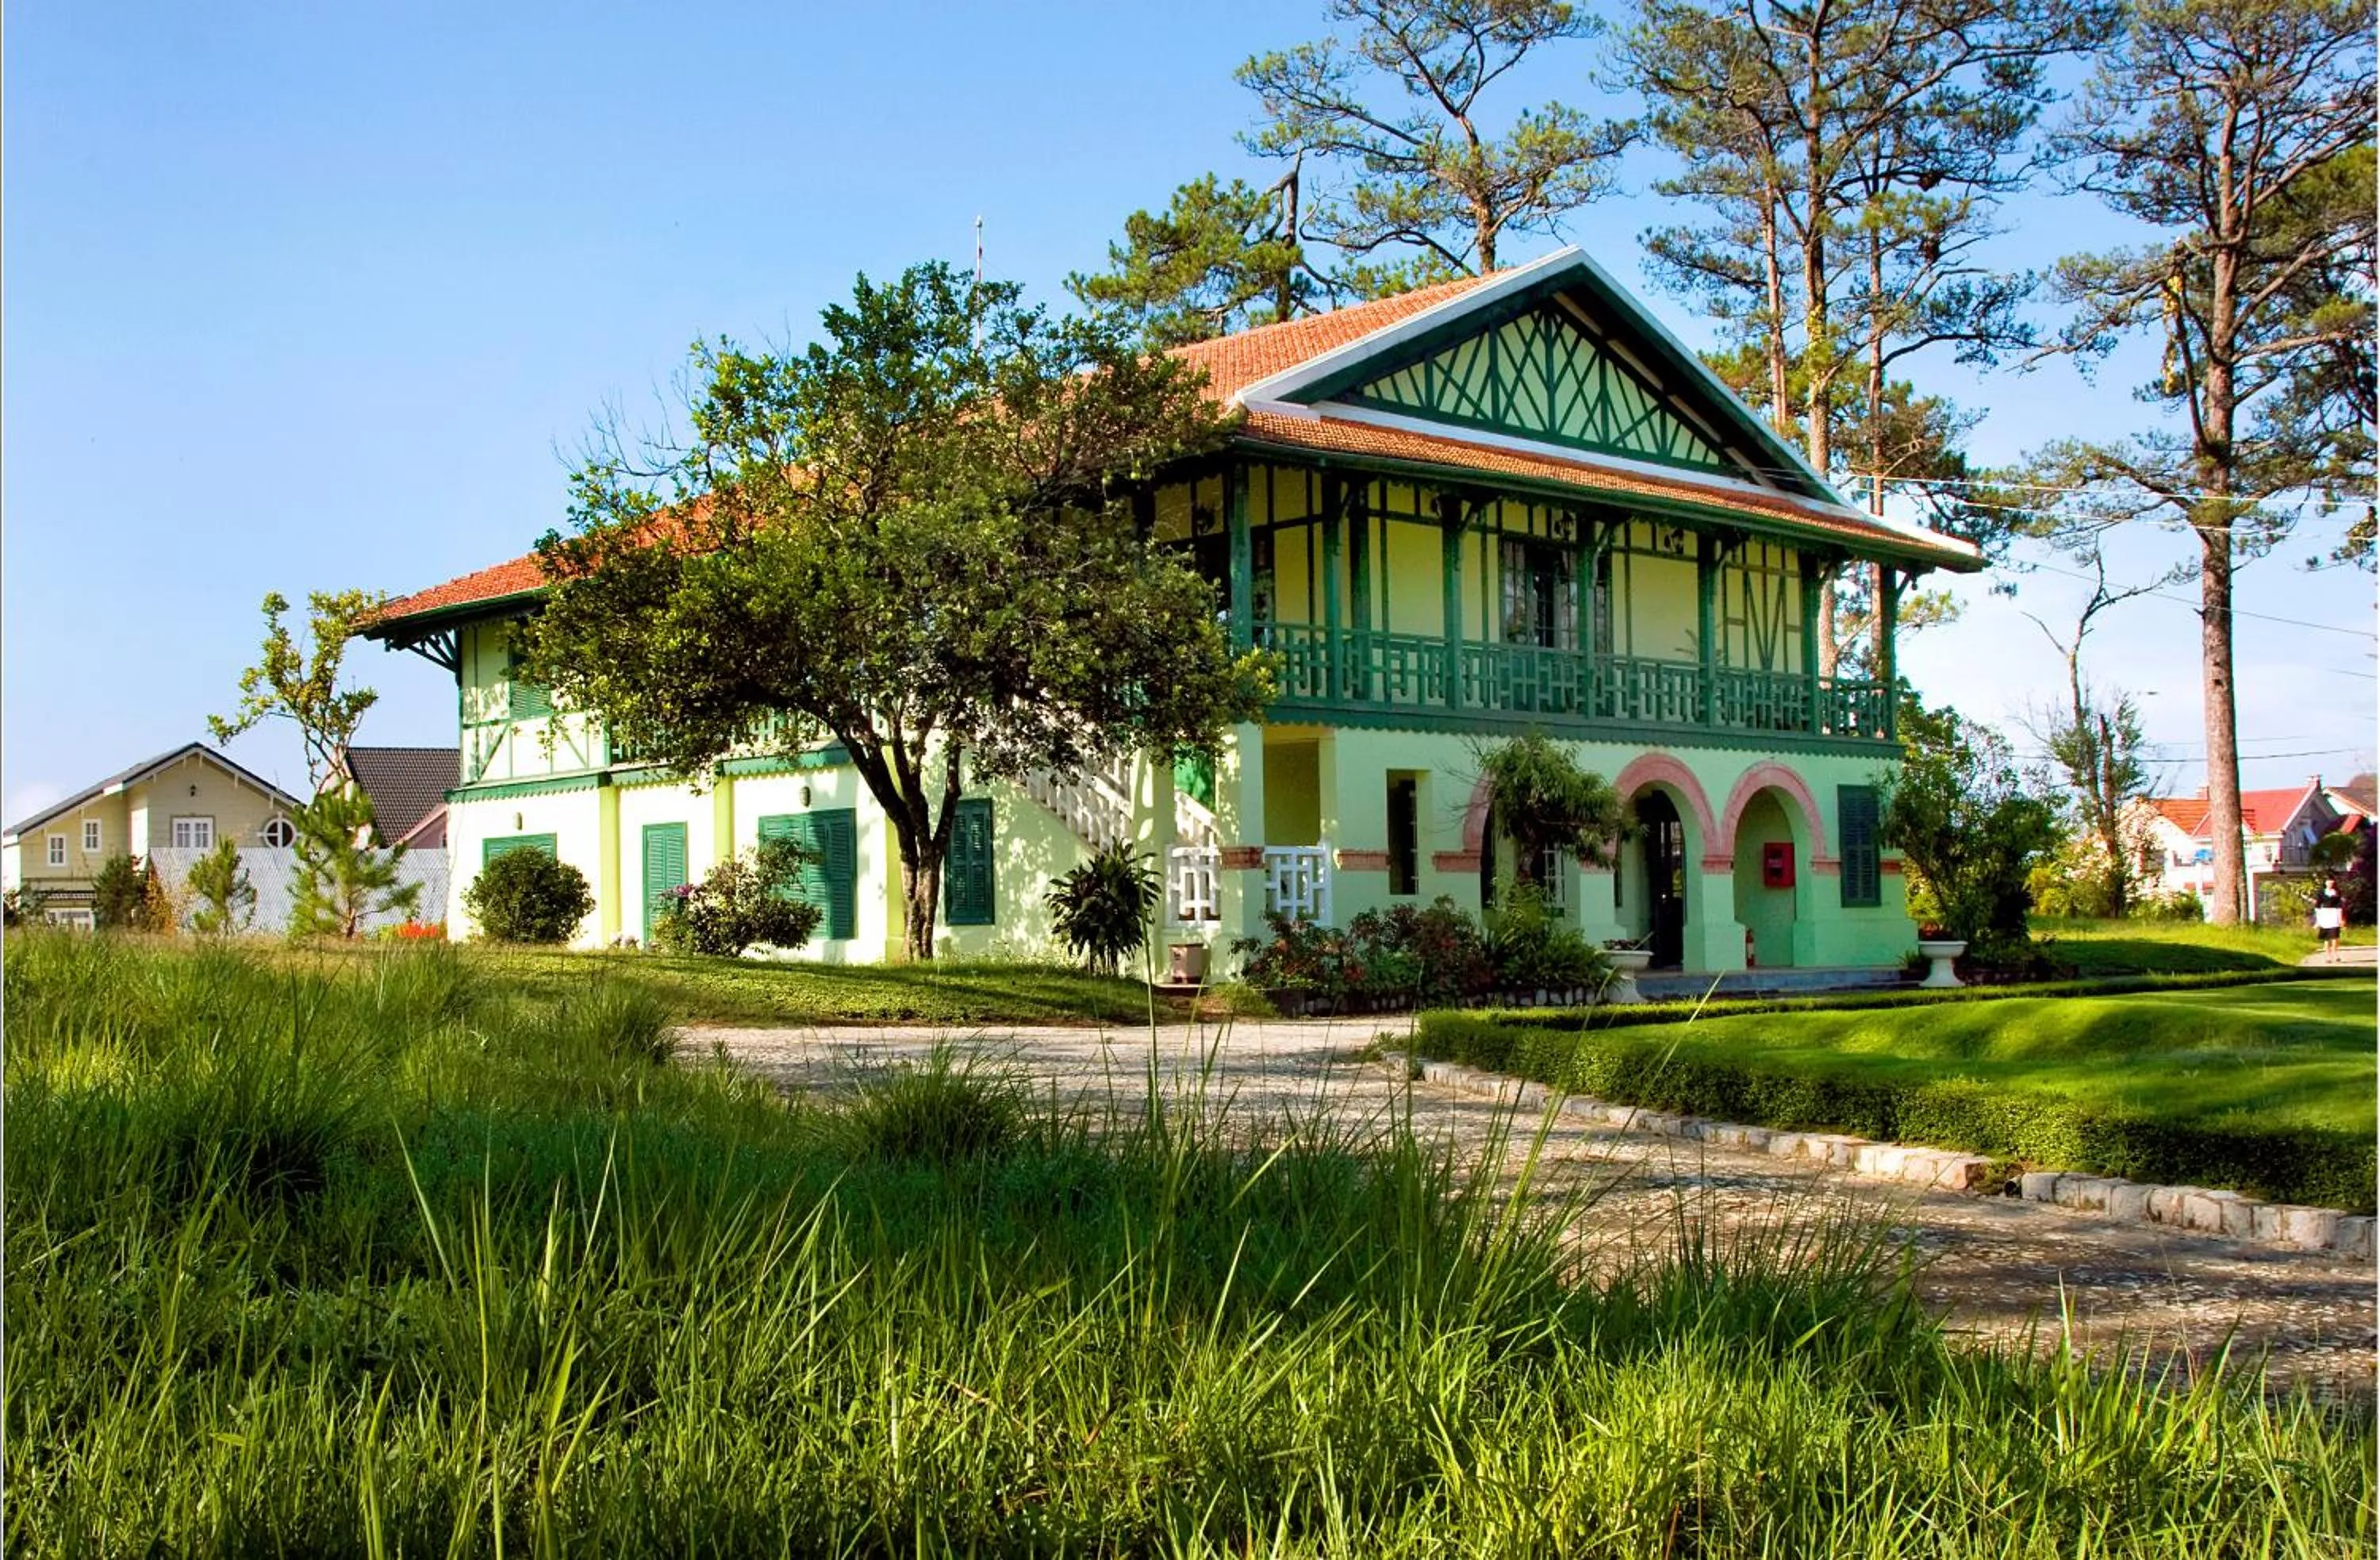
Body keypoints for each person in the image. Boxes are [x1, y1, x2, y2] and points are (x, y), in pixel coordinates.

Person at [2313, 875, 2345, 959]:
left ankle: (2335, 952)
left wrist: (2341, 919)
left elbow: (2340, 906)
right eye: (2328, 882)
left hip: (2334, 914)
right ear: (2325, 883)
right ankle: (2328, 956)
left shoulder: (2337, 892)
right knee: (2327, 938)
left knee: (2335, 936)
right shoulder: (2321, 893)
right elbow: (2317, 907)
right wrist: (2318, 921)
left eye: (2331, 882)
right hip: (2324, 914)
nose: (2330, 883)